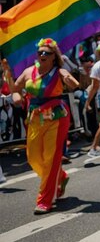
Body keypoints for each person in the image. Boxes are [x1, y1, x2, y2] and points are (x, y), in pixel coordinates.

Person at [11, 38, 79, 214]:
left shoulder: (59, 71)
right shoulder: (28, 72)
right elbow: (16, 88)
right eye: (40, 52)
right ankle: (60, 177)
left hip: (56, 118)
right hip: (35, 118)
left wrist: (67, 77)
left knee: (51, 159)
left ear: (54, 56)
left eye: (46, 53)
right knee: (33, 157)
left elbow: (75, 85)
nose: (42, 55)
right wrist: (16, 97)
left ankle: (44, 200)